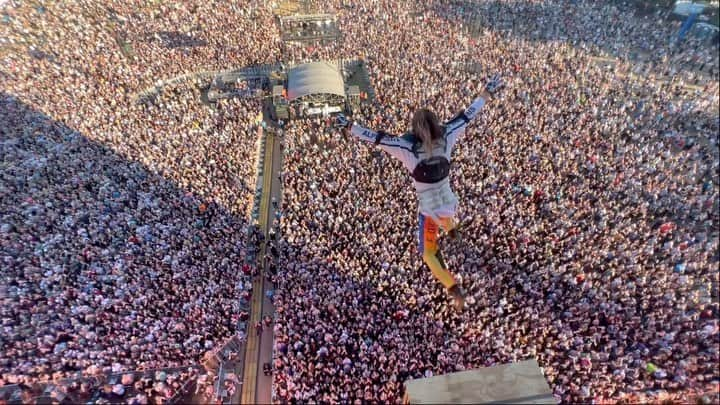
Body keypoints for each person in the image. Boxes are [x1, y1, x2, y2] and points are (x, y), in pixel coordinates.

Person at [334, 75, 505, 312]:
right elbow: (468, 114)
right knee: (445, 211)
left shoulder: (406, 147)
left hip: (430, 209)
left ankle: (453, 287)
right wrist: (486, 92)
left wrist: (349, 126)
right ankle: (452, 230)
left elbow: (377, 138)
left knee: (428, 253)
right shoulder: (447, 135)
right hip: (448, 202)